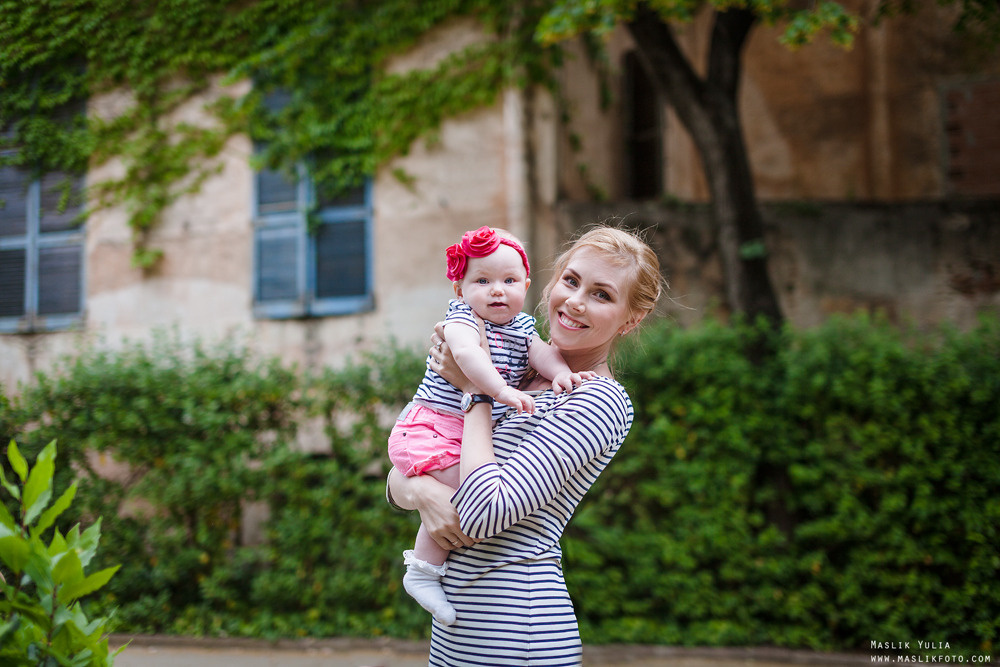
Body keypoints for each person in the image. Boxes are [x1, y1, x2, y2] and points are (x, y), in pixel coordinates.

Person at [387, 225, 665, 666]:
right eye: (571, 281)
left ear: (631, 319)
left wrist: (475, 392)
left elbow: (484, 513)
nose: (575, 301)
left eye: (601, 294)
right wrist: (422, 493)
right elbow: (404, 469)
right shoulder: (513, 367)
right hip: (457, 633)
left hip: (518, 632)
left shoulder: (597, 399)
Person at [388, 226, 592, 626]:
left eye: (509, 281)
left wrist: (563, 375)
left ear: (526, 285)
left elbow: (542, 354)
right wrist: (496, 390)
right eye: (482, 281)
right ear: (460, 291)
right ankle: (423, 571)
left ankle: (423, 571)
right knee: (462, 489)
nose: (497, 291)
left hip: (516, 615)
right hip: (432, 426)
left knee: (463, 492)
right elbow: (465, 353)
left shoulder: (521, 327)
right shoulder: (463, 318)